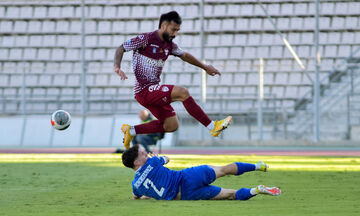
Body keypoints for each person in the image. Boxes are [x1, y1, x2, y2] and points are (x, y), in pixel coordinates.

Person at [114, 11, 232, 149]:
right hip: (144, 90)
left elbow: (185, 55)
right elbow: (121, 48)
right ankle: (212, 126)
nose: (175, 34)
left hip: (153, 90)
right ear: (164, 25)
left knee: (171, 125)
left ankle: (131, 130)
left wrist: (205, 67)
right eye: (173, 29)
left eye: (177, 30)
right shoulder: (146, 39)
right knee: (182, 92)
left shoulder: (169, 45)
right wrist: (117, 66)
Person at [122, 145, 282, 201]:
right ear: (136, 162)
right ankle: (257, 165)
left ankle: (256, 190)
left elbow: (136, 195)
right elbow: (167, 158)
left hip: (186, 195)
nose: (146, 154)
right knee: (224, 170)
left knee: (231, 195)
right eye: (143, 154)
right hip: (187, 177)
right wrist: (158, 158)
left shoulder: (136, 185)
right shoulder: (153, 161)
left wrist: (146, 194)